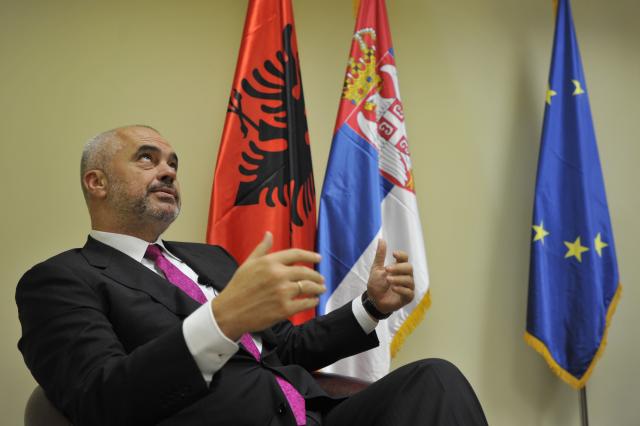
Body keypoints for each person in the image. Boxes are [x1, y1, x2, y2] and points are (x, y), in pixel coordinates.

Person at [16, 125, 487, 425]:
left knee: (435, 379)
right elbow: (100, 399)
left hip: (312, 414)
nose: (168, 172)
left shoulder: (210, 258)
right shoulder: (59, 281)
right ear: (96, 182)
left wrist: (370, 307)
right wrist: (219, 321)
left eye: (173, 164)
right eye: (146, 158)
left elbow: (286, 348)